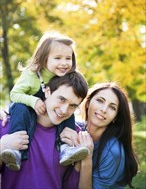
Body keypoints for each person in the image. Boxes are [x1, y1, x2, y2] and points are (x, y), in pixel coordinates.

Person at [1, 31, 88, 171]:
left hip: (49, 111)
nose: (64, 63)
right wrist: (33, 101)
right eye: (58, 58)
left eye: (68, 58)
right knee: (19, 107)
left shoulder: (64, 77)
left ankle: (66, 147)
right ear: (44, 58)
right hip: (26, 108)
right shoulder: (32, 74)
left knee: (67, 111)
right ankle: (16, 150)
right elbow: (15, 94)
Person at [0, 71, 88, 189]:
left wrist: (82, 161)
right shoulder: (6, 126)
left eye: (73, 106)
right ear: (47, 91)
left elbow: (69, 185)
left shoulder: (73, 137)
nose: (64, 110)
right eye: (62, 99)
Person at [60, 82, 139, 189]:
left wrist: (86, 158)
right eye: (100, 101)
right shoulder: (75, 128)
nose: (104, 109)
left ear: (116, 117)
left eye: (112, 107)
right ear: (88, 103)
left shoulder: (113, 152)